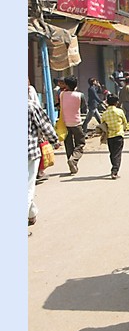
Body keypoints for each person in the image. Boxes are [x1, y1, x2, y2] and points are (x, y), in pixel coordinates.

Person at [28, 99, 61, 234]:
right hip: (29, 152)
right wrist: (54, 140)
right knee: (27, 187)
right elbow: (44, 125)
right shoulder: (30, 105)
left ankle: (32, 214)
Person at [60, 75, 87, 175]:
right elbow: (83, 106)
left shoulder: (62, 94)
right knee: (80, 143)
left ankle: (72, 166)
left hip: (65, 123)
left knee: (68, 145)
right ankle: (74, 160)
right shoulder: (80, 95)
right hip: (76, 123)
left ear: (66, 85)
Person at [101, 93, 129, 179]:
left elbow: (102, 124)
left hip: (110, 136)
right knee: (117, 154)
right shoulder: (120, 111)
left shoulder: (105, 113)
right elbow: (125, 122)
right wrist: (125, 129)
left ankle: (114, 167)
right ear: (117, 102)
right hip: (118, 135)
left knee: (112, 153)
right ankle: (114, 171)